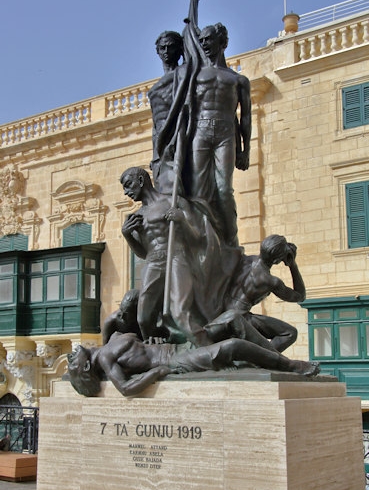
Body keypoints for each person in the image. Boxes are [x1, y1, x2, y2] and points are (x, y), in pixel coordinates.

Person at [67, 331, 320, 398]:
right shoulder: (105, 359)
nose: (71, 356)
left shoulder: (109, 340)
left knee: (229, 327)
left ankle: (274, 361)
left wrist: (152, 339)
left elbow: (139, 348)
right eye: (71, 363)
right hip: (175, 359)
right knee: (232, 346)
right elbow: (124, 388)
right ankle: (291, 366)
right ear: (87, 368)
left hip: (176, 345)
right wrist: (158, 371)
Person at [120, 166, 209, 346]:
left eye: (128, 185)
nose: (126, 192)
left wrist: (182, 221)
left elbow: (198, 238)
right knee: (143, 318)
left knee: (180, 312)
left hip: (176, 256)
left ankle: (210, 348)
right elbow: (142, 253)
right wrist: (127, 235)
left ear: (141, 180)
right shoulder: (137, 216)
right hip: (153, 261)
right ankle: (155, 342)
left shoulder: (173, 202)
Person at [183, 22, 252, 247]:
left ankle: (230, 240)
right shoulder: (194, 77)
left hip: (225, 133)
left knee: (223, 190)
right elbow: (183, 110)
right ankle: (202, 239)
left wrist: (245, 150)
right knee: (199, 190)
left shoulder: (238, 80)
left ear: (222, 42)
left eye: (208, 39)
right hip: (200, 132)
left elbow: (246, 118)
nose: (204, 44)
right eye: (201, 40)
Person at [206, 235, 306, 353]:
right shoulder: (269, 281)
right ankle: (261, 358)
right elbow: (300, 296)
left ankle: (255, 357)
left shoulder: (243, 260)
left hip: (223, 312)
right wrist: (292, 264)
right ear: (277, 260)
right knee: (290, 333)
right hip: (242, 318)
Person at [148, 31, 187, 194]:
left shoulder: (184, 75)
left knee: (175, 190)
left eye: (170, 47)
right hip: (160, 142)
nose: (165, 52)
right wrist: (155, 152)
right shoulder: (156, 86)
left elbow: (186, 108)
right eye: (162, 48)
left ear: (179, 50)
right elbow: (155, 124)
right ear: (157, 51)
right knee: (163, 189)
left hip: (177, 136)